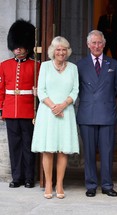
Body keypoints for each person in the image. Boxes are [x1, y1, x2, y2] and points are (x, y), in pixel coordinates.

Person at [31, 36, 79, 199]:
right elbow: (41, 91)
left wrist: (62, 106)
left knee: (63, 149)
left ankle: (59, 184)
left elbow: (75, 91)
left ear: (67, 51)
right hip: (48, 112)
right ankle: (49, 183)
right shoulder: (44, 66)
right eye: (58, 49)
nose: (61, 52)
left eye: (64, 49)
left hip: (66, 112)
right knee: (48, 148)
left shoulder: (73, 68)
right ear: (53, 51)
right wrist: (54, 107)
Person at [77, 30, 117, 198]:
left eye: (99, 43)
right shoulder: (80, 65)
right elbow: (78, 90)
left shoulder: (113, 64)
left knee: (107, 152)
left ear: (104, 44)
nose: (96, 46)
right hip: (87, 114)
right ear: (88, 45)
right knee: (88, 152)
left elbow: (116, 89)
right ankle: (91, 185)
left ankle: (108, 185)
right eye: (93, 43)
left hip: (107, 113)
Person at [0, 19, 40, 189]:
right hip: (10, 110)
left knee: (28, 145)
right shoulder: (4, 65)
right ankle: (17, 177)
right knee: (14, 146)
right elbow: (1, 89)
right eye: (15, 45)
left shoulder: (36, 66)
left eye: (21, 45)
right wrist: (1, 109)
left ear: (27, 46)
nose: (18, 48)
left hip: (28, 111)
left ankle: (30, 177)